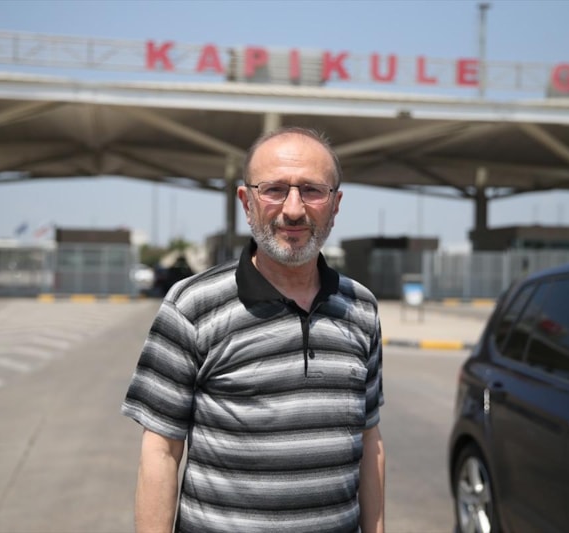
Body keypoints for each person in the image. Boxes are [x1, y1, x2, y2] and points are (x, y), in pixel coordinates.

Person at [121, 126, 385, 533]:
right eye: (274, 190)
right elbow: (161, 451)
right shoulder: (192, 306)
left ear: (335, 205)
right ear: (246, 202)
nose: (293, 209)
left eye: (312, 191)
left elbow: (370, 441)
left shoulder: (361, 308)